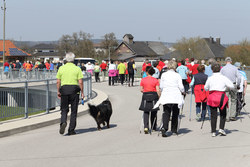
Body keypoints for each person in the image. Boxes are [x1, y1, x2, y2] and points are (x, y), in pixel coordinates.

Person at [154, 60, 185, 137]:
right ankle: (174, 129)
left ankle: (164, 128)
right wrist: (183, 91)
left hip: (167, 95)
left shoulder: (164, 75)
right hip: (175, 95)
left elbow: (161, 86)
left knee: (166, 112)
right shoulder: (177, 75)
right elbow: (181, 86)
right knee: (175, 112)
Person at [56, 52, 84, 136]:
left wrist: (58, 91)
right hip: (74, 91)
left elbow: (58, 81)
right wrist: (82, 92)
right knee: (74, 111)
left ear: (66, 59)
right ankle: (71, 130)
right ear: (73, 59)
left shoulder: (61, 68)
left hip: (64, 90)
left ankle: (63, 122)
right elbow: (80, 82)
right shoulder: (77, 68)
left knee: (64, 109)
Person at [204, 63, 234, 137]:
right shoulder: (223, 78)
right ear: (220, 69)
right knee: (223, 113)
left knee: (213, 114)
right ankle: (221, 128)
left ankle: (213, 131)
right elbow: (232, 86)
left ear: (212, 69)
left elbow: (206, 88)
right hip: (221, 97)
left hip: (212, 96)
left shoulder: (210, 78)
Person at [139, 66, 161, 134]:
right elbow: (158, 90)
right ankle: (153, 126)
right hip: (154, 95)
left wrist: (145, 91)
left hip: (146, 95)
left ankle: (146, 126)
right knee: (154, 111)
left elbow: (141, 89)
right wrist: (160, 97)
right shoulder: (155, 80)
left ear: (147, 72)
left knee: (146, 111)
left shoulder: (143, 79)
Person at [220, 57, 241, 121]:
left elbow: (220, 77)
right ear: (231, 61)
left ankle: (226, 116)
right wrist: (238, 85)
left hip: (226, 85)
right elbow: (239, 77)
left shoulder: (223, 69)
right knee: (233, 100)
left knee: (225, 101)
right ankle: (232, 115)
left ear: (225, 61)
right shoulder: (234, 68)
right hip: (233, 84)